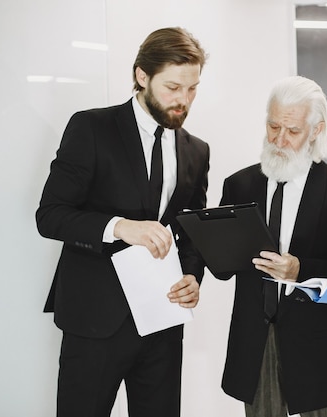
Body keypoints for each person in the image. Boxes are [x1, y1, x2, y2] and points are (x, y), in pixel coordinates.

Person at [36, 27, 209, 417]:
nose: (184, 100)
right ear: (141, 76)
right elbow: (50, 216)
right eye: (173, 87)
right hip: (95, 322)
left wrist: (193, 277)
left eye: (193, 89)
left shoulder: (197, 150)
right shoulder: (91, 128)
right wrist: (119, 226)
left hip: (163, 324)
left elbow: (191, 232)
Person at [215, 75, 327, 417]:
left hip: (319, 350)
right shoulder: (239, 185)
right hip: (254, 346)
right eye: (273, 126)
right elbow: (222, 267)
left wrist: (301, 269)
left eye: (292, 131)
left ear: (316, 130)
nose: (279, 140)